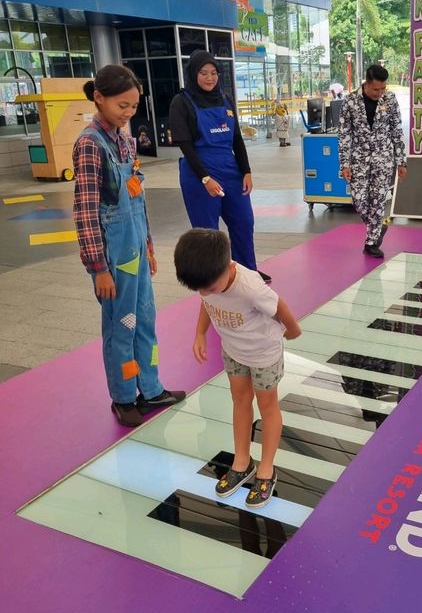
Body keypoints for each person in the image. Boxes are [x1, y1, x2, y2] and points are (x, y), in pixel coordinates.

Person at [72, 65, 185, 428]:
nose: (128, 113)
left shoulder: (125, 139)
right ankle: (123, 396)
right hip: (114, 259)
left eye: (134, 107)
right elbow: (85, 213)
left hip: (136, 248)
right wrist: (98, 268)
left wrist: (149, 246)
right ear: (99, 98)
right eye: (122, 105)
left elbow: (136, 198)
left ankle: (150, 388)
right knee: (122, 327)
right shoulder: (90, 144)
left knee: (145, 322)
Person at [173, 228, 301, 508]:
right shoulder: (209, 281)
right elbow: (206, 303)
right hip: (233, 350)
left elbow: (280, 307)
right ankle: (242, 461)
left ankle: (267, 468)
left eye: (211, 287)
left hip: (264, 353)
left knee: (267, 407)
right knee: (240, 400)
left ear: (229, 267)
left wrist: (293, 331)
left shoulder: (251, 287)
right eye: (200, 289)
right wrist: (199, 334)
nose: (206, 293)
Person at [169, 50, 271, 283]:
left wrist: (246, 170)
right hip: (199, 173)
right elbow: (185, 145)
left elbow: (236, 137)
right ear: (193, 74)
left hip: (230, 168)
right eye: (203, 73)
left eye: (213, 72)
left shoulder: (224, 99)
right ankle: (213, 277)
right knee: (208, 232)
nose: (209, 78)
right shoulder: (181, 102)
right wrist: (205, 178)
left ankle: (247, 271)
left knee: (244, 222)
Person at [338, 64, 407, 258]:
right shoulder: (350, 101)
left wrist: (401, 161)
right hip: (359, 158)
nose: (380, 92)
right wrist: (345, 164)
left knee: (377, 201)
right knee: (359, 200)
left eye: (383, 88)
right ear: (366, 84)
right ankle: (376, 227)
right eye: (376, 89)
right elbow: (344, 135)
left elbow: (396, 130)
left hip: (383, 159)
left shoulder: (390, 99)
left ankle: (371, 241)